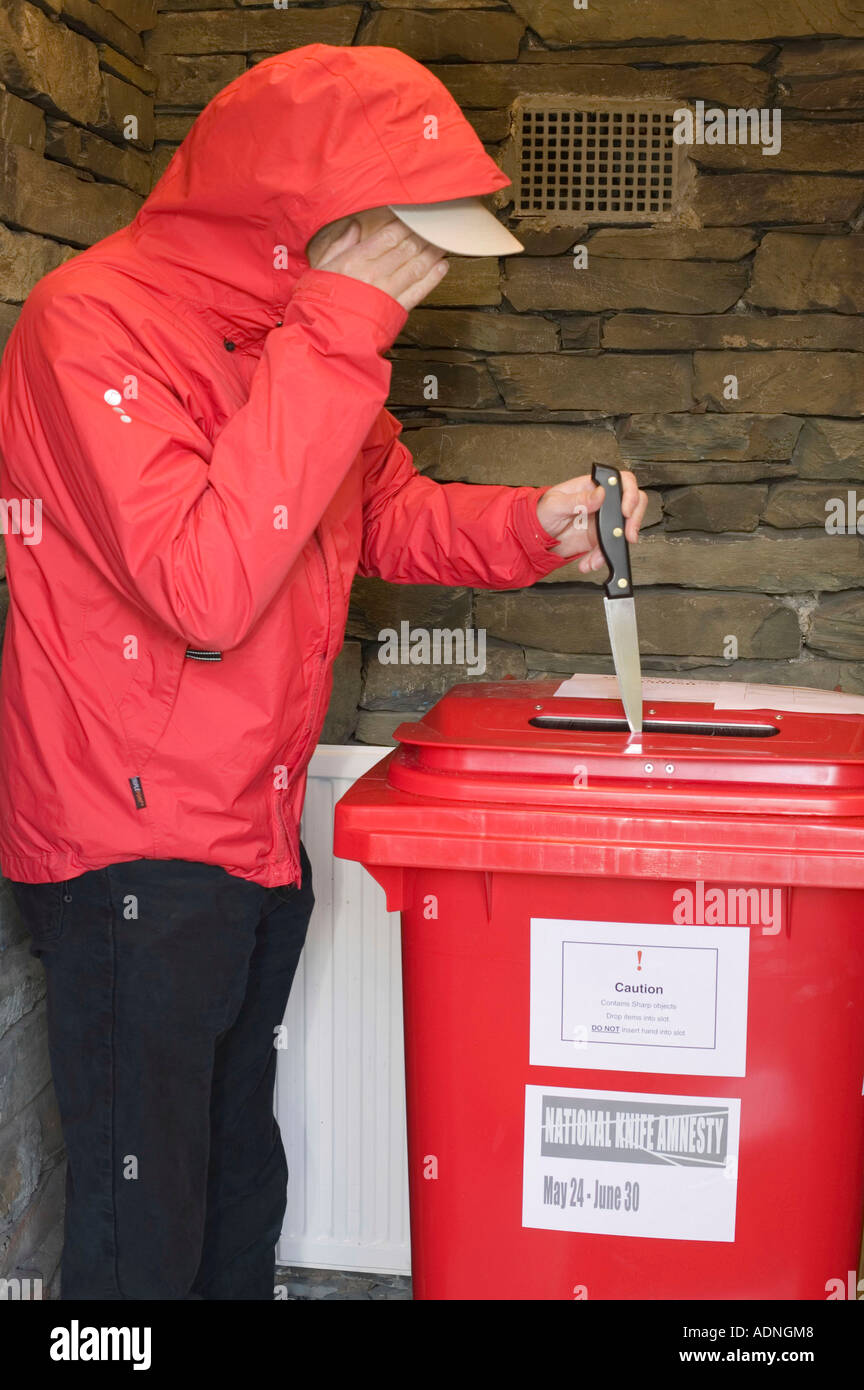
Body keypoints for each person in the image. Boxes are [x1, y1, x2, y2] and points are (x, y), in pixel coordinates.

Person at [0, 43, 648, 1300]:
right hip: (124, 849)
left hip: (250, 825)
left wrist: (540, 525)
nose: (418, 267)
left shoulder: (297, 341)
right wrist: (343, 327)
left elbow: (379, 510)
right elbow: (201, 584)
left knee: (242, 1170)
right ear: (303, 219)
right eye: (398, 236)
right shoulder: (89, 326)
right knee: (145, 1213)